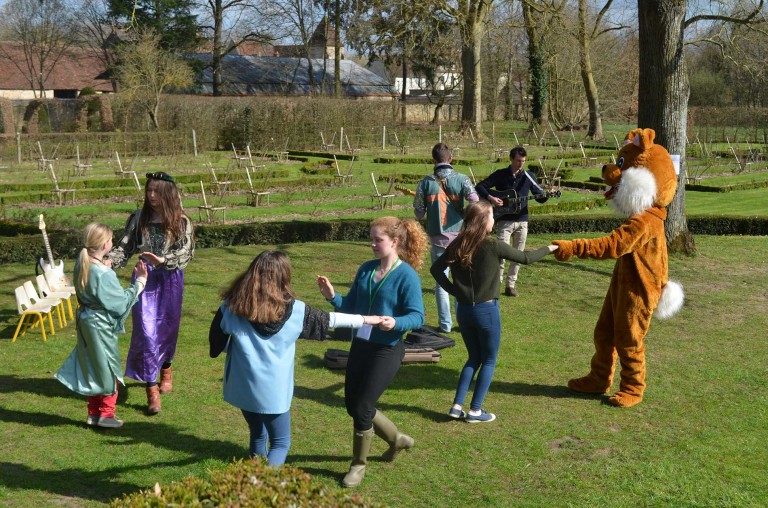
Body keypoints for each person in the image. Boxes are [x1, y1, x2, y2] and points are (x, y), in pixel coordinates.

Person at [208, 250, 383, 466]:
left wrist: (237, 349)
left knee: (257, 432)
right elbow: (331, 320)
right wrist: (365, 319)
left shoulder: (231, 307)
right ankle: (263, 484)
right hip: (274, 393)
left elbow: (216, 345)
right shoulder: (297, 311)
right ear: (284, 277)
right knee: (280, 443)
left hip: (242, 387)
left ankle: (254, 478)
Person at [316, 217, 428, 488]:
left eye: (378, 240)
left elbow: (418, 316)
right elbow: (352, 307)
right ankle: (396, 439)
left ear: (395, 241)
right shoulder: (366, 269)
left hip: (386, 350)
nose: (373, 244)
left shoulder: (406, 276)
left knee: (363, 407)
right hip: (361, 344)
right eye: (372, 239)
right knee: (352, 406)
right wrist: (332, 296)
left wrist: (395, 322)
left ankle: (358, 465)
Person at [431, 201, 557, 423]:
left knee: (473, 357)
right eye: (491, 216)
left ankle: (456, 406)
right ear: (483, 222)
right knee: (489, 360)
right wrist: (550, 248)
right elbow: (526, 258)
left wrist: (455, 291)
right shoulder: (493, 245)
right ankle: (475, 411)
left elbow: (435, 269)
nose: (494, 220)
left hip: (464, 311)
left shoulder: (457, 244)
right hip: (486, 311)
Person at [107, 171, 194, 415]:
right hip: (144, 278)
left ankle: (166, 368)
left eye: (156, 191)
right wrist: (107, 261)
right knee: (146, 333)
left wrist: (163, 259)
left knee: (167, 330)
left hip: (170, 280)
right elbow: (123, 248)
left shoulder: (181, 220)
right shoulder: (138, 218)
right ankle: (151, 390)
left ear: (167, 193)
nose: (151, 195)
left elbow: (186, 251)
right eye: (149, 190)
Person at [55, 223, 148, 429]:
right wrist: (140, 283)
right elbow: (120, 303)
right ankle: (106, 415)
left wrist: (105, 267)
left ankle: (93, 413)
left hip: (85, 322)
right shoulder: (103, 274)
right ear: (105, 244)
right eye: (111, 239)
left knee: (92, 365)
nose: (112, 242)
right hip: (100, 325)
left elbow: (96, 283)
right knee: (108, 366)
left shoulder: (82, 263)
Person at [414, 142, 478, 333]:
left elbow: (419, 214)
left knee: (441, 282)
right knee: (461, 280)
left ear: (433, 160)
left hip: (437, 239)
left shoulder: (425, 183)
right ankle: (462, 322)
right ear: (451, 158)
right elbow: (475, 202)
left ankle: (445, 324)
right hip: (459, 238)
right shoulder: (462, 179)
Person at [475, 146, 549, 297]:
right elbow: (480, 186)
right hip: (505, 221)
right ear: (511, 159)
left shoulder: (529, 176)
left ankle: (510, 285)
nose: (521, 164)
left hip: (522, 221)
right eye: (518, 161)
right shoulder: (500, 174)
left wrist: (547, 195)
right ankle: (496, 284)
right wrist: (491, 198)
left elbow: (539, 197)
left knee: (518, 255)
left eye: (523, 161)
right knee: (500, 255)